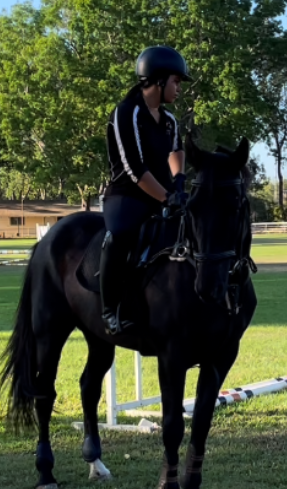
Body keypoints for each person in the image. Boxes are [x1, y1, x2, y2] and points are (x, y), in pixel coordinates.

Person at [101, 46, 192, 334]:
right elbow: (134, 169)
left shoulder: (169, 120)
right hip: (126, 196)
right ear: (159, 80)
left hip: (163, 195)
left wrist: (178, 182)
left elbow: (176, 150)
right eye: (176, 82)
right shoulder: (125, 113)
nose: (178, 88)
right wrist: (167, 197)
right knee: (119, 236)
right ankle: (109, 309)